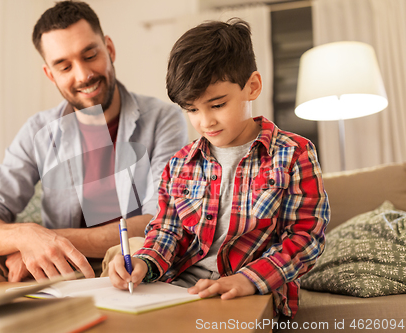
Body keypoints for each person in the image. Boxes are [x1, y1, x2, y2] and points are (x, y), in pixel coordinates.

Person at [0, 0, 187, 284]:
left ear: (109, 49)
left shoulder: (164, 119)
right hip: (55, 266)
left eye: (90, 55)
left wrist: (47, 240)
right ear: (50, 74)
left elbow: (156, 222)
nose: (83, 75)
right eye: (64, 66)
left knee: (135, 248)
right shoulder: (38, 130)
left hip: (124, 261)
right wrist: (26, 237)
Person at [109, 18, 329, 318]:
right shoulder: (180, 164)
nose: (205, 121)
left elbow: (305, 237)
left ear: (252, 87)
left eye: (217, 105)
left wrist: (248, 280)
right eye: (192, 109)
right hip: (179, 291)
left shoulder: (294, 154)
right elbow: (167, 230)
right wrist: (144, 262)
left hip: (253, 291)